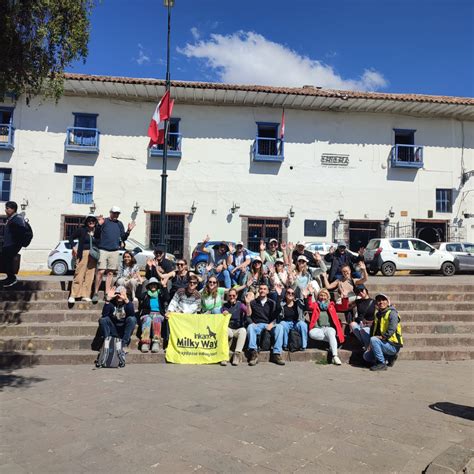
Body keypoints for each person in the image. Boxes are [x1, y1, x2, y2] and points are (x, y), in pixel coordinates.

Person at [93, 206, 136, 302]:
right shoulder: (104, 222)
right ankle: (95, 292)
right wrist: (99, 225)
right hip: (103, 249)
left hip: (114, 250)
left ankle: (107, 292)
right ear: (110, 212)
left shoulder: (119, 224)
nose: (116, 215)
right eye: (114, 213)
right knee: (101, 271)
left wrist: (129, 231)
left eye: (118, 213)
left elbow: (123, 238)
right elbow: (96, 235)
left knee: (110, 272)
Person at [245, 283, 285, 366]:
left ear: (267, 291)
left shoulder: (272, 303)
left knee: (280, 327)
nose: (262, 290)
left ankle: (276, 354)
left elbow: (276, 316)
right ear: (258, 290)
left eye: (264, 289)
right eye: (261, 289)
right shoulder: (253, 302)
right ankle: (253, 353)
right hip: (257, 325)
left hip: (268, 324)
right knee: (250, 327)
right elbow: (248, 315)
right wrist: (248, 304)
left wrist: (272, 323)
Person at [363, 293, 403, 371]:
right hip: (383, 343)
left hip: (393, 345)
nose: (381, 302)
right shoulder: (378, 314)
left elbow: (392, 329)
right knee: (366, 356)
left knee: (374, 340)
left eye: (383, 300)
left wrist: (381, 337)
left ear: (388, 302)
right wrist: (370, 345)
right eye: (379, 300)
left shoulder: (392, 313)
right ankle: (389, 357)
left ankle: (381, 363)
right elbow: (373, 329)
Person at [307, 288, 347, 365]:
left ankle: (335, 356)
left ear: (328, 297)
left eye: (325, 295)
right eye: (321, 295)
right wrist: (310, 295)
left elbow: (344, 307)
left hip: (329, 328)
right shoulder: (316, 305)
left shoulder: (332, 305)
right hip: (318, 328)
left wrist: (344, 298)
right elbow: (309, 305)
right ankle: (333, 342)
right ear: (318, 296)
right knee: (311, 333)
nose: (323, 297)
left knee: (331, 333)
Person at [68, 214, 98, 303]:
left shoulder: (97, 231)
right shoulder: (82, 230)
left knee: (90, 275)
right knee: (79, 273)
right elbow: (71, 237)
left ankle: (86, 295)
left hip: (93, 255)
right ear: (86, 221)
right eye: (89, 220)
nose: (91, 222)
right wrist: (73, 247)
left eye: (93, 220)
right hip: (83, 253)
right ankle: (73, 295)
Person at [99, 286, 137, 352]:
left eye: (121, 294)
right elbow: (104, 315)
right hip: (113, 328)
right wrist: (108, 300)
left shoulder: (128, 303)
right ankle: (107, 342)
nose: (119, 296)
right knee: (103, 319)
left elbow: (132, 314)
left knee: (132, 319)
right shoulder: (111, 303)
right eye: (118, 294)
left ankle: (123, 344)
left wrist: (126, 300)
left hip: (124, 329)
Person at [138, 277, 169, 353]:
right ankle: (145, 343)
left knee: (157, 320)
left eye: (155, 285)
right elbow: (138, 296)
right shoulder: (146, 294)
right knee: (147, 319)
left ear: (157, 286)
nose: (153, 286)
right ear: (148, 286)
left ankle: (156, 342)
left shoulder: (160, 294)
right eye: (151, 285)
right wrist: (140, 284)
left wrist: (164, 286)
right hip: (147, 313)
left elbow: (167, 298)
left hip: (158, 314)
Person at [0, 201, 27, 287]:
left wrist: (16, 243)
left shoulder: (18, 218)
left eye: (7, 208)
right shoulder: (11, 219)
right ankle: (9, 277)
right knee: (5, 260)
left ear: (13, 209)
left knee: (8, 260)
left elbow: (22, 231)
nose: (5, 210)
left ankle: (12, 278)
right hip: (8, 244)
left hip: (13, 244)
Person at [222, 288, 248, 366]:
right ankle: (224, 356)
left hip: (237, 328)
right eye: (230, 295)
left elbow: (248, 312)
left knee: (243, 331)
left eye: (233, 295)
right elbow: (220, 316)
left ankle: (237, 354)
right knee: (224, 330)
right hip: (229, 328)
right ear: (228, 296)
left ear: (236, 296)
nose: (232, 297)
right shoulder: (224, 305)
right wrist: (223, 313)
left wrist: (248, 304)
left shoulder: (240, 305)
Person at [276, 287, 308, 351]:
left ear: (294, 295)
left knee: (303, 324)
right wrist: (279, 295)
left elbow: (306, 308)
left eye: (292, 293)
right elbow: (278, 308)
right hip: (286, 323)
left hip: (296, 323)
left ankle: (303, 345)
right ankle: (285, 345)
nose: (290, 294)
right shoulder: (282, 303)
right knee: (282, 323)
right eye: (288, 293)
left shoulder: (298, 303)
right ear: (285, 294)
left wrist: (305, 297)